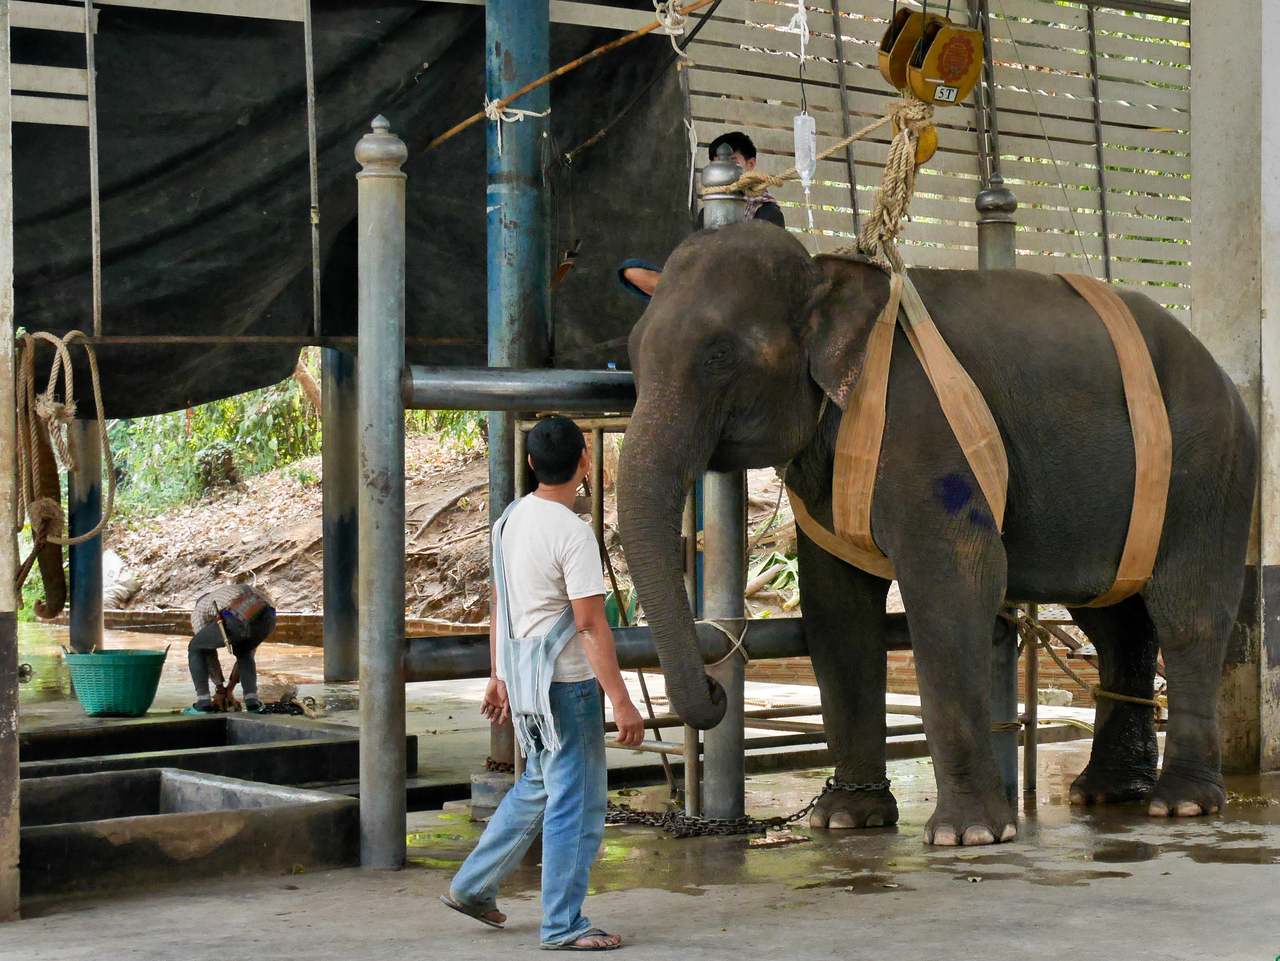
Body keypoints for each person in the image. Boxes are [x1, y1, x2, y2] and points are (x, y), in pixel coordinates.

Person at [441, 416, 645, 951]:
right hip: (567, 687)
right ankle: (563, 924)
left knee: (537, 787)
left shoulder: (509, 521)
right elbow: (589, 623)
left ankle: (471, 886)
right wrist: (621, 702)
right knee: (575, 805)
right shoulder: (573, 532)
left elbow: (501, 607)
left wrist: (498, 674)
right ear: (584, 461)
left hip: (528, 684)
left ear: (531, 463)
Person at [619, 131, 786, 300]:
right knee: (631, 270)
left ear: (750, 164)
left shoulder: (767, 211)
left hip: (741, 288)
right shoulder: (707, 212)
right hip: (702, 281)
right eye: (716, 163)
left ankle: (686, 297)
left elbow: (767, 266)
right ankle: (686, 296)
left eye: (733, 161)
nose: (723, 167)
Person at [184, 582, 276, 714]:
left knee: (195, 648)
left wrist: (220, 688)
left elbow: (207, 653)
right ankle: (252, 702)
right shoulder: (221, 596)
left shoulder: (200, 609)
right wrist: (230, 688)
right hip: (269, 616)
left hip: (238, 610)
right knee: (245, 653)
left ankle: (203, 702)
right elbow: (248, 654)